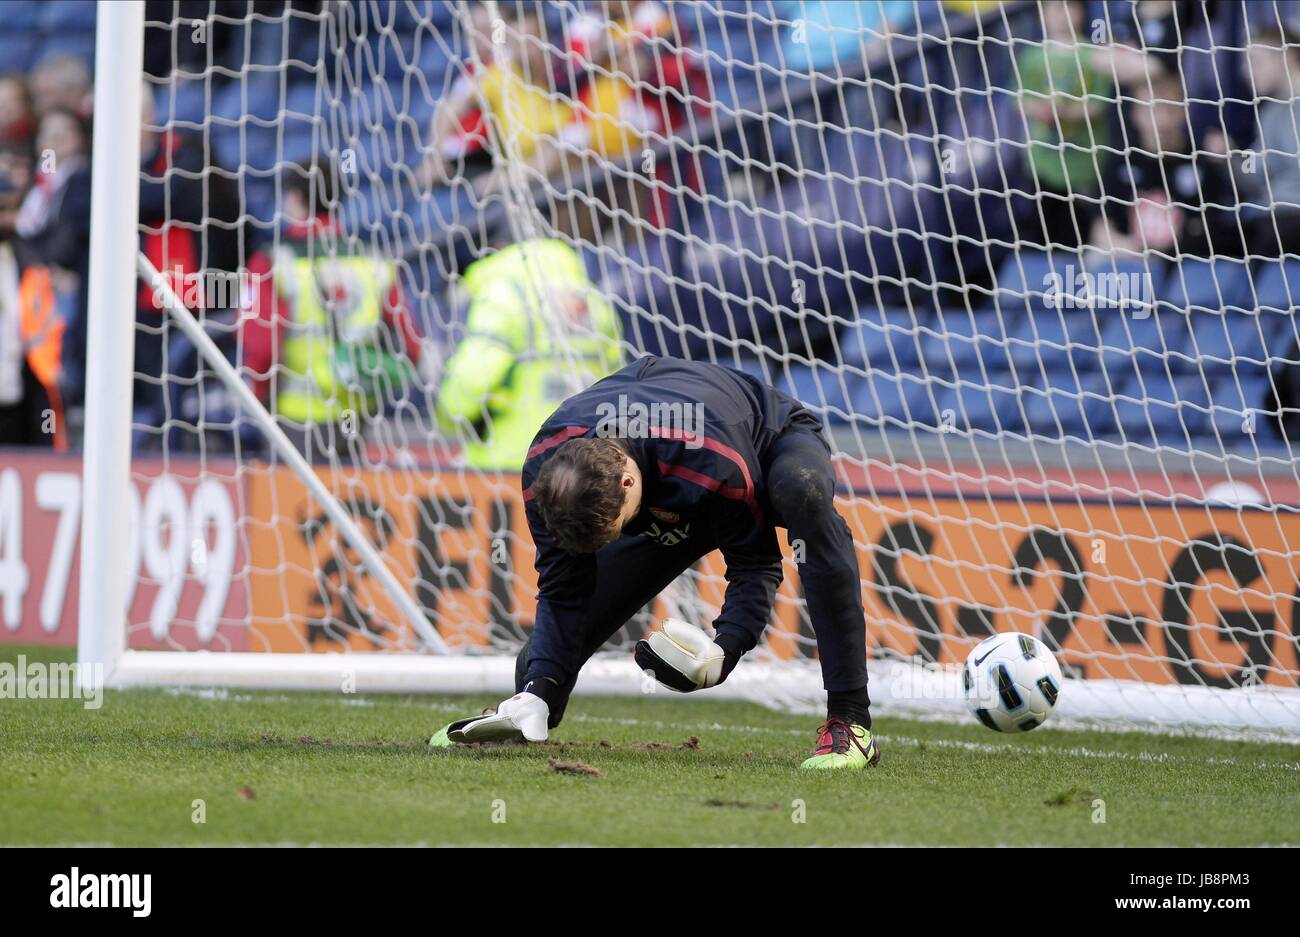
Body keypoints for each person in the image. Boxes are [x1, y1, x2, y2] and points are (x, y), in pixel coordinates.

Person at [430, 355, 879, 771]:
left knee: (803, 494)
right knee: (536, 664)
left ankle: (850, 721)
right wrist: (536, 692)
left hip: (766, 441)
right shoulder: (545, 474)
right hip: (670, 485)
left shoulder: (710, 462)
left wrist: (726, 650)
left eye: (613, 531)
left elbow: (755, 567)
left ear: (627, 485)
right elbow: (563, 589)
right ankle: (528, 711)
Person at [434, 238, 622, 470]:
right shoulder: (594, 299)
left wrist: (448, 417)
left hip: (511, 460)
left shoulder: (505, 293)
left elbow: (473, 376)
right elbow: (618, 384)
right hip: (581, 469)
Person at [1015, 0, 1116, 250]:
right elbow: (1019, 98)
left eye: (1070, 7)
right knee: (1041, 236)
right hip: (1042, 163)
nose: (1062, 15)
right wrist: (1041, 109)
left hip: (1082, 165)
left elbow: (1099, 105)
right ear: (1043, 13)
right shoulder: (1032, 56)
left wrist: (1063, 112)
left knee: (1078, 238)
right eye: (1055, 8)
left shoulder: (1093, 55)